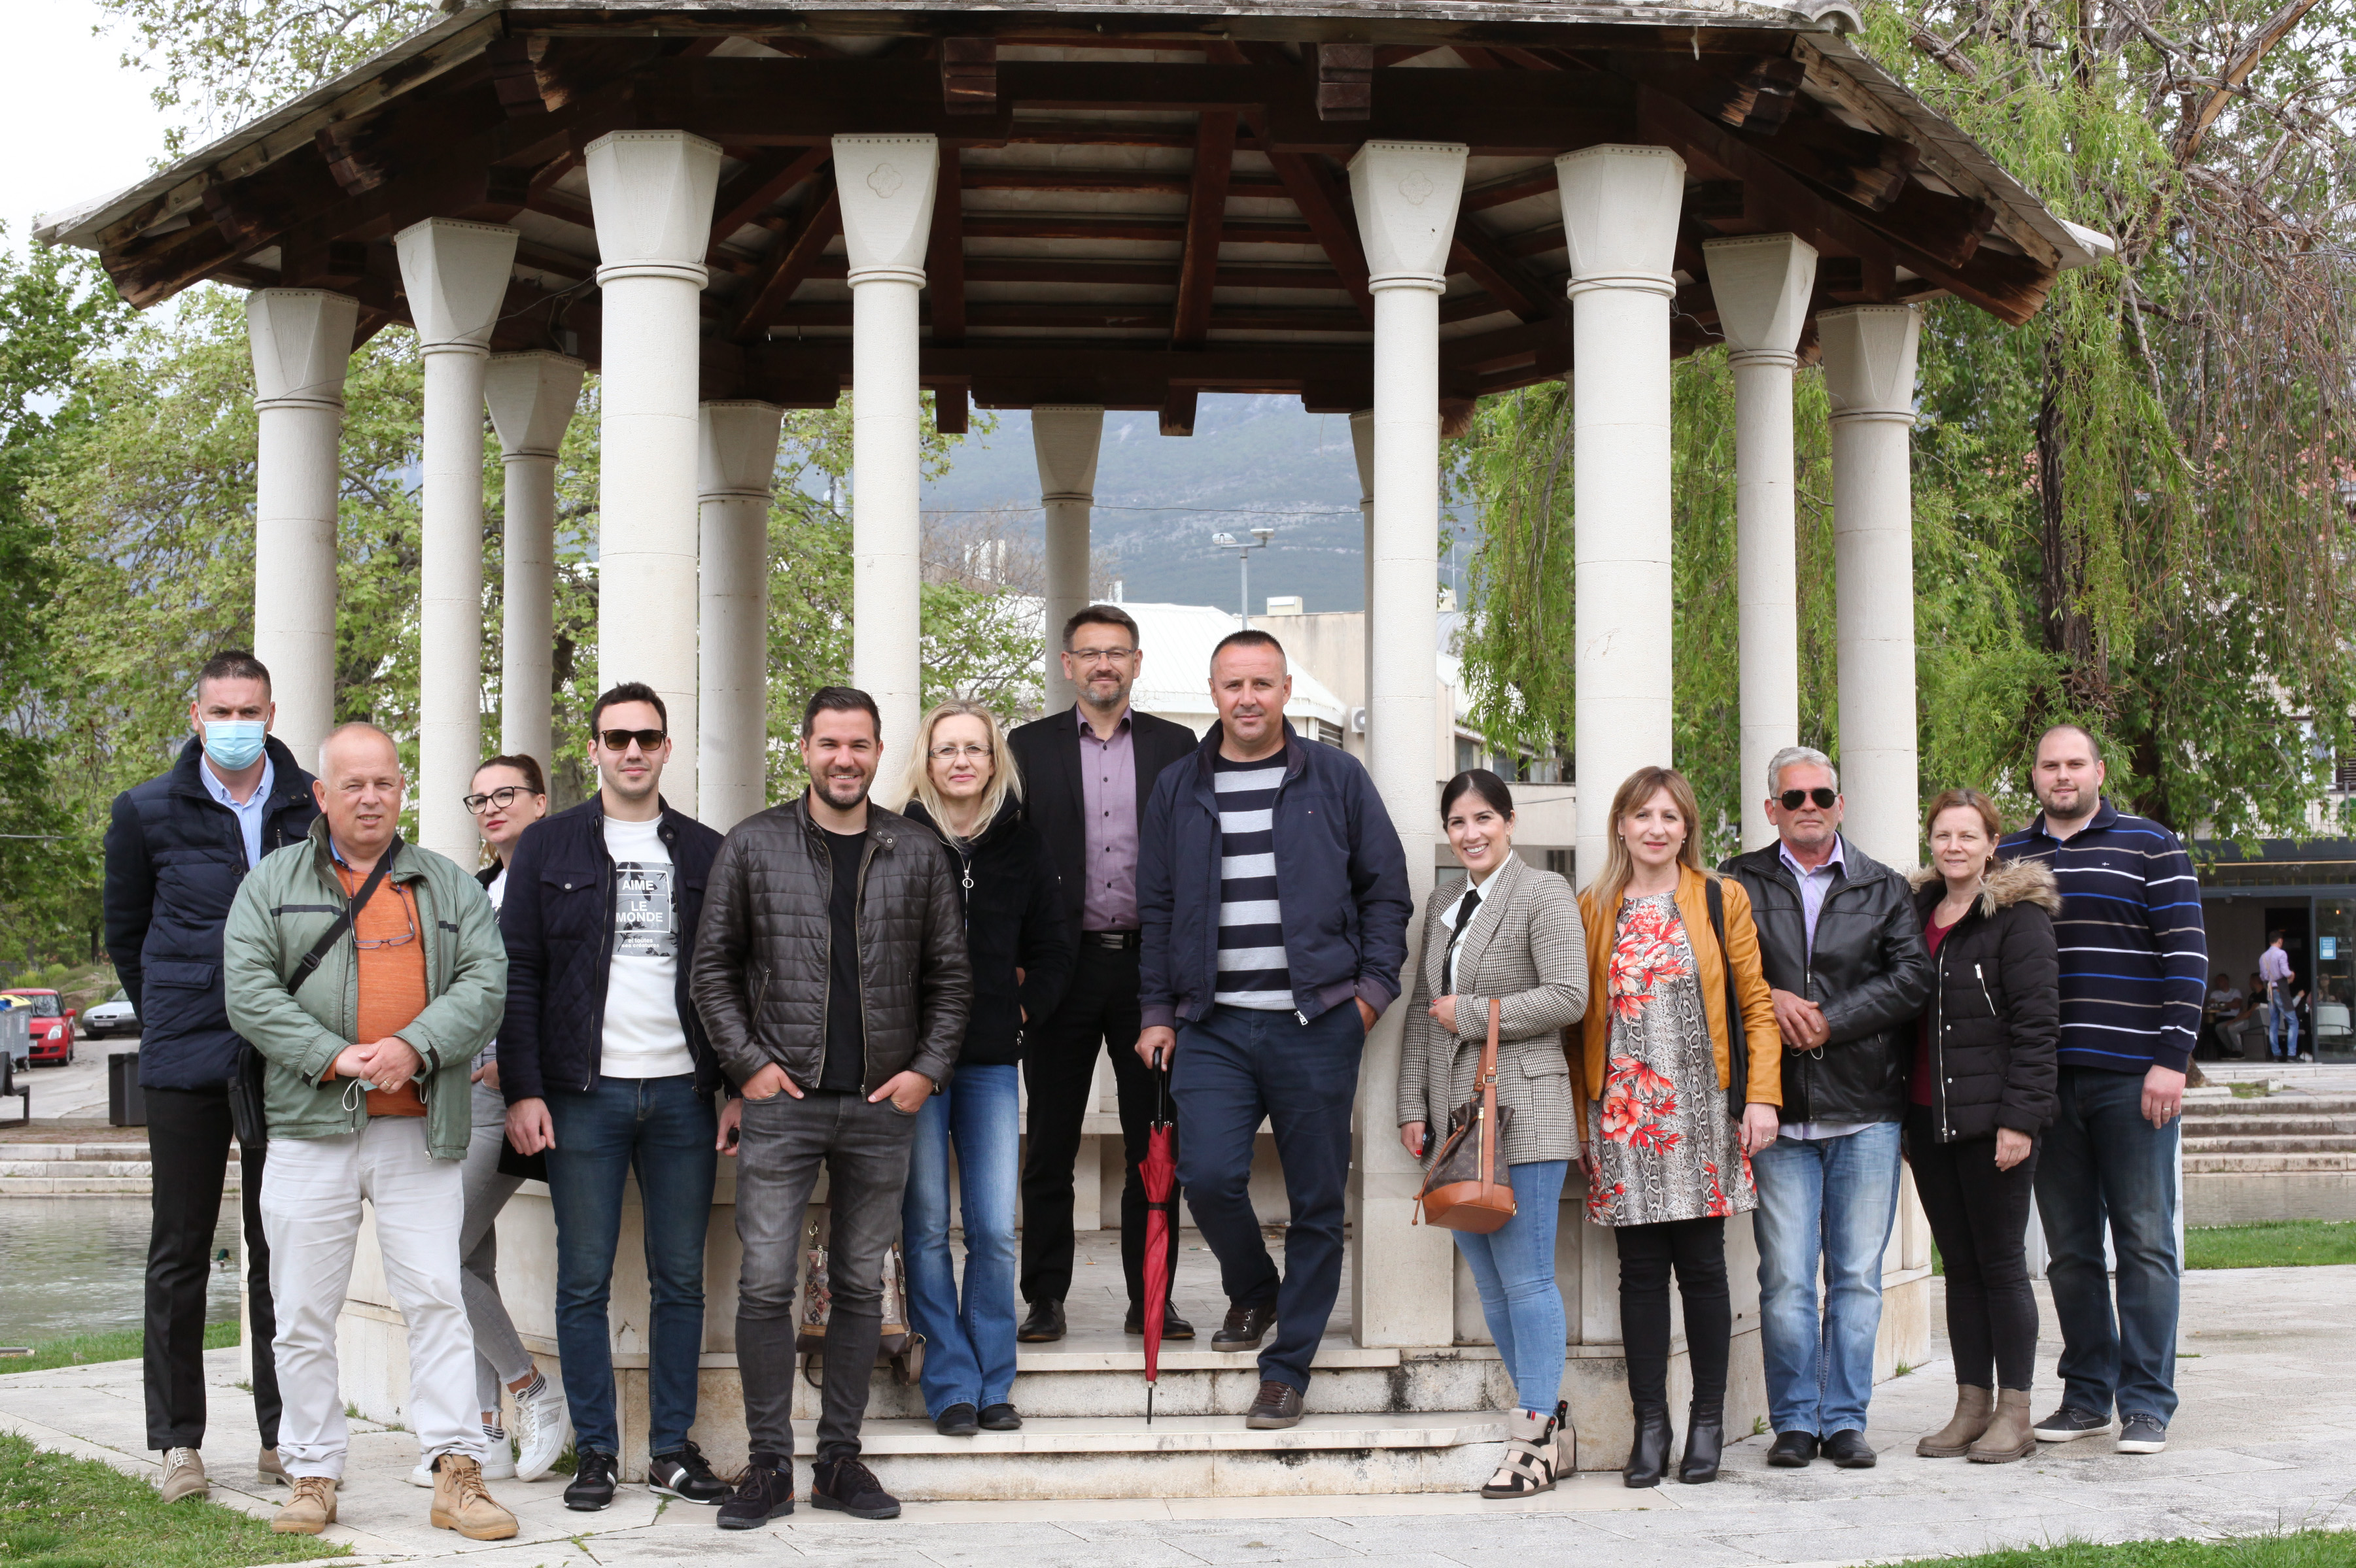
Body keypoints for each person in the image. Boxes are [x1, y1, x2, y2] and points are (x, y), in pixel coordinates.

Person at [221, 723, 515, 1541]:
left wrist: (414, 1045)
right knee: (301, 1312)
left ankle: (457, 1472)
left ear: (401, 789)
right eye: (352, 784)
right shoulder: (271, 883)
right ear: (322, 794)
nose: (370, 798)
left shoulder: (447, 884)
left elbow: (485, 983)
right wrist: (334, 1055)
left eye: (384, 782)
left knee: (438, 1301)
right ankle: (312, 1471)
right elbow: (247, 991)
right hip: (308, 1128)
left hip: (420, 1128)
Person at [689, 687, 971, 1527]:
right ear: (805, 748)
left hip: (883, 1105)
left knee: (857, 1283)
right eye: (828, 744)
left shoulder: (915, 851)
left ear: (878, 752)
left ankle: (838, 1461)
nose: (843, 759)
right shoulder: (754, 843)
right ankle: (769, 1465)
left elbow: (952, 978)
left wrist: (925, 1072)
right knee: (765, 1282)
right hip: (784, 1104)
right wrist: (748, 1066)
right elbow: (711, 969)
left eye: (858, 745)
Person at [1135, 630, 1411, 1431]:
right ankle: (1256, 1288)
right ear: (1213, 692)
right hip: (1212, 1025)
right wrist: (1155, 1011)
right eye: (1233, 684)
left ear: (1286, 689)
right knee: (1206, 1175)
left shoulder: (1335, 776)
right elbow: (1157, 907)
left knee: (1317, 1201)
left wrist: (1367, 997)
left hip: (1315, 1024)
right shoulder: (1179, 785)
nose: (1247, 697)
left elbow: (1385, 892)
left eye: (1261, 683)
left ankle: (1286, 1368)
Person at [498, 687, 731, 1512]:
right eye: (617, 737)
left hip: (684, 1093)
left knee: (681, 1280)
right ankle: (596, 1450)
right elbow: (518, 973)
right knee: (583, 1280)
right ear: (593, 748)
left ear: (666, 748)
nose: (632, 750)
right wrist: (524, 1088)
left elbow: (735, 975)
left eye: (647, 737)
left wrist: (733, 1086)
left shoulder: (706, 850)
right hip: (581, 1096)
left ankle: (670, 1449)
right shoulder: (546, 844)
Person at [103, 651, 317, 1503]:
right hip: (186, 1057)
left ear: (271, 713)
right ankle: (177, 1442)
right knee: (179, 1250)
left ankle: (283, 1434)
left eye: (248, 709)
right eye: (220, 710)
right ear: (196, 717)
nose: (235, 723)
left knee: (281, 1249)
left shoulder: (310, 805)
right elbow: (127, 933)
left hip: (287, 1058)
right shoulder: (145, 810)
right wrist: (175, 1010)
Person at [1720, 745, 1932, 1470]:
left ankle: (1843, 1420)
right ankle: (1792, 1422)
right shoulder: (1736, 882)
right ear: (1770, 809)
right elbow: (1714, 973)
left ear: (1839, 805)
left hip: (1865, 1111)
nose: (1807, 807)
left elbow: (1912, 978)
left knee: (1856, 1278)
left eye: (1820, 796)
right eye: (1793, 797)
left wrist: (1830, 1019)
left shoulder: (1883, 885)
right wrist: (1769, 996)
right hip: (1776, 1113)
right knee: (1784, 1278)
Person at [2000, 722, 2207, 1455]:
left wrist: (2171, 1060)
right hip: (2045, 1083)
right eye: (2049, 765)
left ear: (2099, 771)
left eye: (2074, 764)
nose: (2062, 776)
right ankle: (2087, 1395)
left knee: (2145, 1244)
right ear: (2034, 776)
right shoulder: (2008, 857)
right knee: (2070, 1251)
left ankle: (2146, 1403)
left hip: (2134, 1080)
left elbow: (2187, 956)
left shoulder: (2152, 846)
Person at [1578, 768, 1781, 1488]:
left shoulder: (1721, 897)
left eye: (1669, 816)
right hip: (1623, 1114)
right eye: (1642, 816)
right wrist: (1581, 1121)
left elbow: (1755, 1004)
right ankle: (1650, 1426)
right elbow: (1576, 1024)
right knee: (1638, 1274)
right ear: (1621, 826)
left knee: (1702, 1268)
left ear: (1686, 826)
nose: (1656, 828)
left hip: (1701, 1108)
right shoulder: (1592, 906)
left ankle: (1707, 1421)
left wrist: (1761, 1097)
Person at [1007, 605, 1201, 1344]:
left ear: (1136, 663)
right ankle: (1044, 1298)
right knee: (1049, 1145)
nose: (1103, 665)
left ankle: (1152, 1296)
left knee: (1154, 1144)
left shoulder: (1176, 747)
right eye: (1089, 653)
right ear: (1067, 665)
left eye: (1116, 652)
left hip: (1150, 972)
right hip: (1059, 970)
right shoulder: (1026, 747)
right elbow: (1011, 857)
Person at [1397, 771, 1589, 1497]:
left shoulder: (1542, 892)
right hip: (1460, 1117)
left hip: (1527, 1110)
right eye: (1457, 822)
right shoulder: (1444, 900)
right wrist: (1411, 1103)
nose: (1470, 833)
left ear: (1509, 821)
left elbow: (1569, 996)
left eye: (1483, 818)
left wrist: (1474, 1012)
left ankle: (1531, 1439)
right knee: (1490, 1281)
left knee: (1527, 1276)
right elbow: (1424, 1007)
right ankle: (1550, 1427)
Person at [895, 699, 1075, 1435]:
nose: (961, 760)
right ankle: (950, 1384)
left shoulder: (1022, 845)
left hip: (991, 1062)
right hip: (914, 1064)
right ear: (927, 760)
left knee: (995, 1229)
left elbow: (1056, 947)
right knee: (925, 1225)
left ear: (994, 760)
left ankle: (994, 1378)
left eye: (975, 748)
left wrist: (1021, 1011)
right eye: (947, 749)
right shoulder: (896, 840)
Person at [403, 756, 568, 1490]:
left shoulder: (561, 882)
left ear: (541, 801)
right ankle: (484, 1434)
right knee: (469, 1263)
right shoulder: (475, 890)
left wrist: (520, 1065)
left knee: (436, 1254)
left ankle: (533, 1388)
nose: (492, 807)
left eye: (507, 794)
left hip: (515, 1097)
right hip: (459, 1095)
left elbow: (570, 990)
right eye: (479, 799)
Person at [1905, 789, 2059, 1465]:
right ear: (1931, 842)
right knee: (1959, 1268)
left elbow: (2037, 1029)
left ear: (1993, 844)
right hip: (1926, 1119)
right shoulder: (1916, 914)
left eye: (1968, 835)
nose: (1955, 847)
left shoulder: (2017, 919)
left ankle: (2014, 1412)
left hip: (1993, 1121)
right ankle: (1970, 1406)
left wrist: (2019, 1119)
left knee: (2000, 1266)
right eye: (1944, 835)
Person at [2261, 932, 2296, 1063]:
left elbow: (2263, 977)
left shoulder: (2263, 956)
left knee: (2274, 1022)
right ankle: (2292, 1055)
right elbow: (2285, 972)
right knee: (2293, 1022)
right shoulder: (2281, 954)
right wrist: (2292, 974)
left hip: (2270, 989)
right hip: (2281, 989)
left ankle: (2277, 1054)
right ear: (2280, 941)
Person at [2200, 974, 2242, 1061]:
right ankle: (2224, 1051)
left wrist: (2221, 1003)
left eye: (2220, 980)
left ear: (2227, 981)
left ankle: (2234, 1051)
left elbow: (2236, 1005)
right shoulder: (2214, 993)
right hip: (2219, 1017)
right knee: (2210, 1029)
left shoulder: (2235, 992)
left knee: (2226, 1028)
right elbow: (2212, 1005)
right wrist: (2228, 1004)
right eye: (2217, 981)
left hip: (2233, 1017)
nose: (2218, 983)